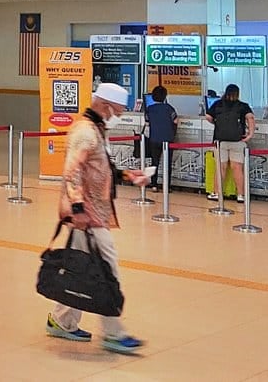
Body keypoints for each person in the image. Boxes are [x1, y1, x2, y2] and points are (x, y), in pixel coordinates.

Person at [46, 82, 148, 354]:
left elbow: (101, 168)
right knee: (106, 269)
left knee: (81, 267)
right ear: (104, 106)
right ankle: (114, 333)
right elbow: (72, 171)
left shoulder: (96, 130)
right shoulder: (86, 132)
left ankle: (61, 320)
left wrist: (128, 175)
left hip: (94, 213)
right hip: (87, 215)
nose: (119, 116)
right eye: (118, 110)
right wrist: (78, 208)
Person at [204, 83, 255, 203]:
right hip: (237, 141)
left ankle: (216, 193)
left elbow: (208, 117)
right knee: (237, 168)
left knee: (220, 168)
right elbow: (251, 118)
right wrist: (250, 134)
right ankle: (241, 195)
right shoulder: (243, 106)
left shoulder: (218, 104)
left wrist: (217, 123)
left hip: (220, 141)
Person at [144, 85, 178, 192]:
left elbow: (147, 123)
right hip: (168, 139)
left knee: (154, 162)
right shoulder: (169, 108)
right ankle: (166, 186)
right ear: (165, 96)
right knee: (167, 164)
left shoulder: (149, 109)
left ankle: (154, 185)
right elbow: (176, 120)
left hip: (154, 139)